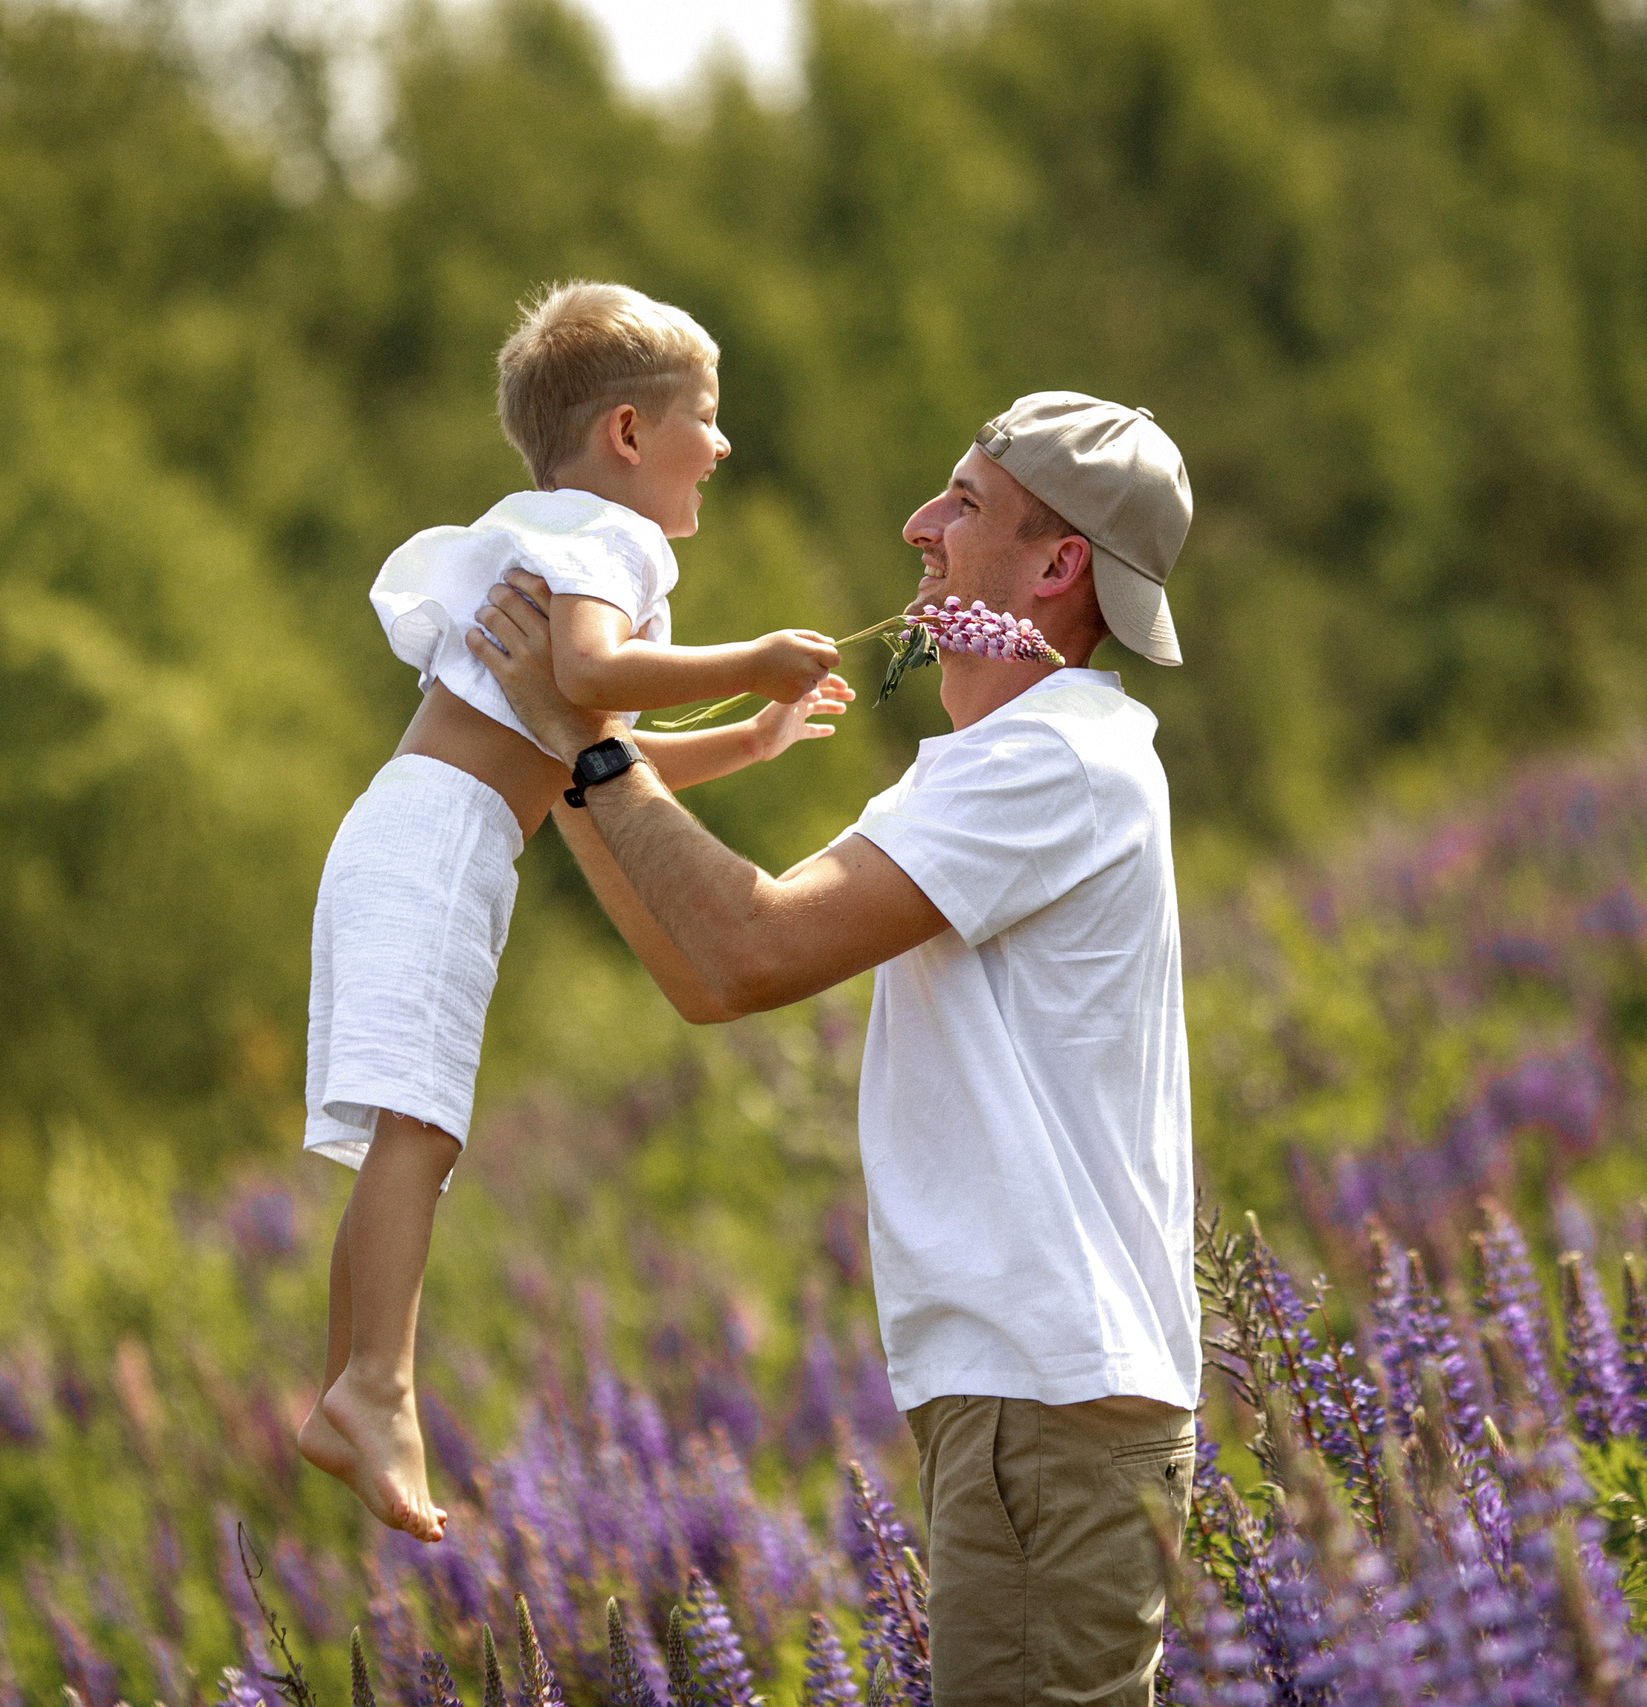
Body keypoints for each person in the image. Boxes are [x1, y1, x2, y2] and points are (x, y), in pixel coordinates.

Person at [469, 392, 1201, 1704]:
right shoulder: (975, 770)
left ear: (1057, 562)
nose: (918, 525)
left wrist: (584, 733)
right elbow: (708, 975)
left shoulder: (1057, 760)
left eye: (964, 502)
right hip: (1028, 1401)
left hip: (1046, 1399)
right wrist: (568, 740)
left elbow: (751, 944)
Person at [296, 281, 849, 1540]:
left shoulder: (555, 535)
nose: (720, 445)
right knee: (420, 1132)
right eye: (702, 419)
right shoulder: (609, 541)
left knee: (409, 1132)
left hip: (421, 830)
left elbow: (591, 747)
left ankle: (351, 1384)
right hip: (437, 842)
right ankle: (374, 1386)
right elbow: (595, 681)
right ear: (626, 435)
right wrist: (754, 657)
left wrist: (753, 741)